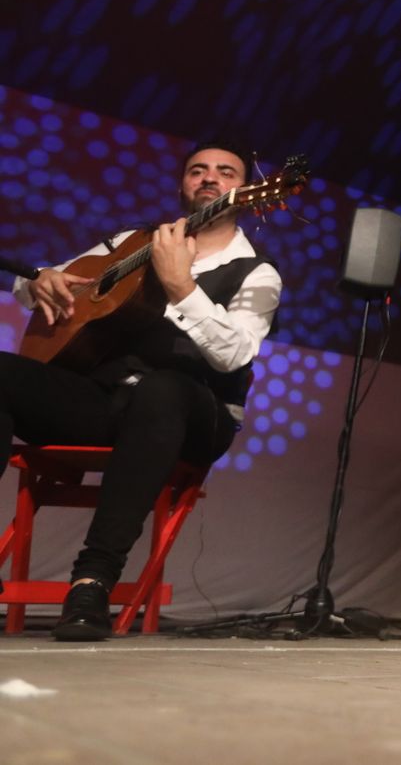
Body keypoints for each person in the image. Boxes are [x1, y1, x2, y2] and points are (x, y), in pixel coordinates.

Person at [0, 142, 282, 640]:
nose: (209, 179)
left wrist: (181, 287)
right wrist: (40, 282)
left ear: (246, 190)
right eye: (198, 170)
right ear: (182, 184)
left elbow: (236, 354)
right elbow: (62, 283)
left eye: (224, 171)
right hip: (108, 401)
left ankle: (91, 581)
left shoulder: (256, 271)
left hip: (196, 411)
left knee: (164, 389)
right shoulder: (135, 241)